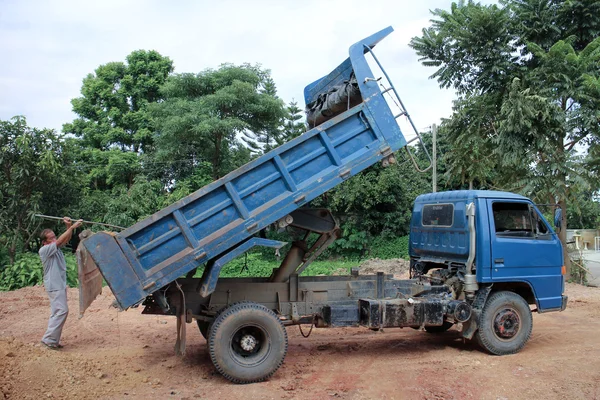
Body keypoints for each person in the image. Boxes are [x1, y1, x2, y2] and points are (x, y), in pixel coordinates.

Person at [39, 217, 82, 350]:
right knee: (62, 311)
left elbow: (65, 240)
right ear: (45, 242)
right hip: (54, 285)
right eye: (50, 238)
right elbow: (58, 242)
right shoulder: (45, 250)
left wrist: (68, 226)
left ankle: (52, 340)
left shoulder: (54, 248)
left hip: (58, 284)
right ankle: (48, 339)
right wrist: (72, 228)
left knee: (58, 311)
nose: (53, 239)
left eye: (54, 236)